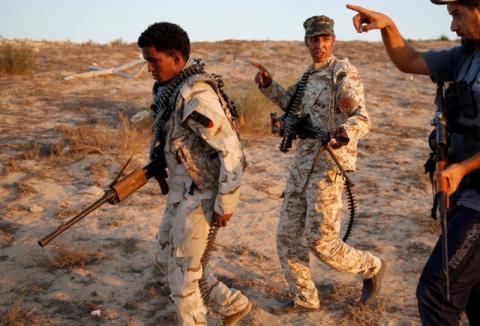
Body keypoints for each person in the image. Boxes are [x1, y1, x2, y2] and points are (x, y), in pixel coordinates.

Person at [347, 1, 480, 325]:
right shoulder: (464, 57)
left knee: (436, 293)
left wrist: (462, 169)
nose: (453, 27)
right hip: (465, 197)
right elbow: (410, 60)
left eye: (457, 15)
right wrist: (389, 26)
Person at [252, 15, 386, 313]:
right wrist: (270, 85)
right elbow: (291, 104)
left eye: (325, 39)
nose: (320, 45)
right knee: (287, 236)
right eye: (314, 40)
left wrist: (343, 133)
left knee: (321, 241)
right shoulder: (308, 77)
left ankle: (371, 266)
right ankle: (305, 298)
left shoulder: (343, 73)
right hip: (302, 167)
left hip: (330, 167)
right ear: (307, 42)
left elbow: (361, 118)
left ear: (333, 40)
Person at [138, 22, 253, 326]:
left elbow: (231, 150)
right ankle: (233, 304)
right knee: (165, 259)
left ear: (175, 57)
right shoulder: (171, 89)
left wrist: (225, 204)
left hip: (202, 196)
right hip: (181, 190)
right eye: (147, 60)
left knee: (183, 281)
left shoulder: (195, 96)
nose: (149, 68)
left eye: (154, 60)